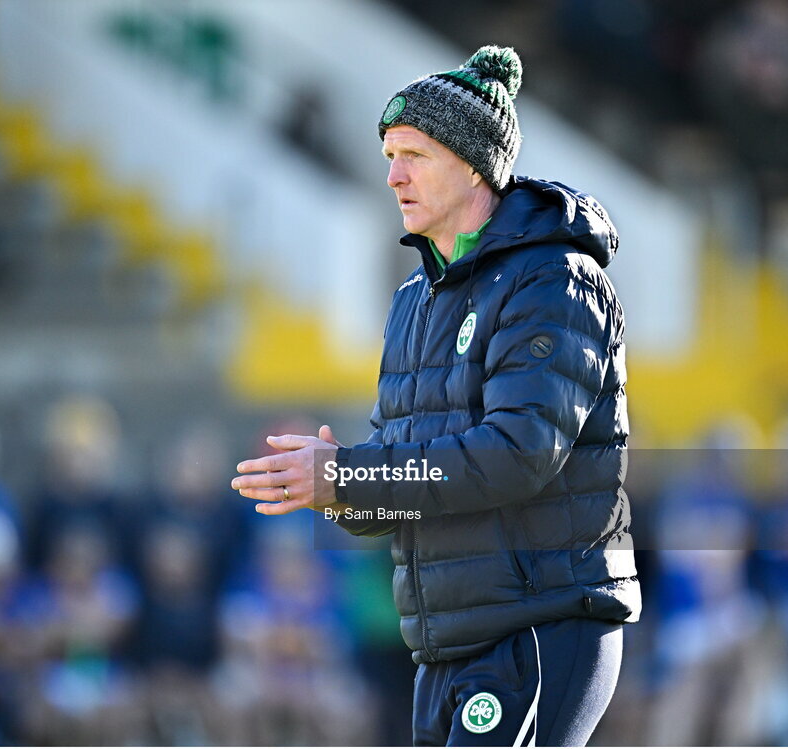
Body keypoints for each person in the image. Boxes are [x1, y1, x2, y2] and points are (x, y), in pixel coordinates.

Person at [231, 45, 640, 746]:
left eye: (413, 154)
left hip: (539, 625)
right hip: (444, 644)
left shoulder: (554, 280)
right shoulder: (412, 302)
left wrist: (356, 473)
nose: (391, 175)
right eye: (389, 154)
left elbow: (517, 454)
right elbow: (403, 476)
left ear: (473, 161)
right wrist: (341, 490)